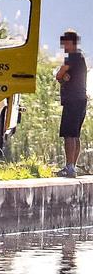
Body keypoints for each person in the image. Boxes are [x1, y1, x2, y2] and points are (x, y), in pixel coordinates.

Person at [55, 30, 87, 178]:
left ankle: (69, 167)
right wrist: (64, 78)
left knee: (69, 134)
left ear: (71, 42)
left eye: (65, 42)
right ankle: (72, 167)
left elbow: (59, 74)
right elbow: (63, 76)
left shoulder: (72, 57)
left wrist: (62, 77)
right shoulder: (80, 57)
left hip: (73, 101)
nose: (63, 45)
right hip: (81, 100)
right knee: (75, 135)